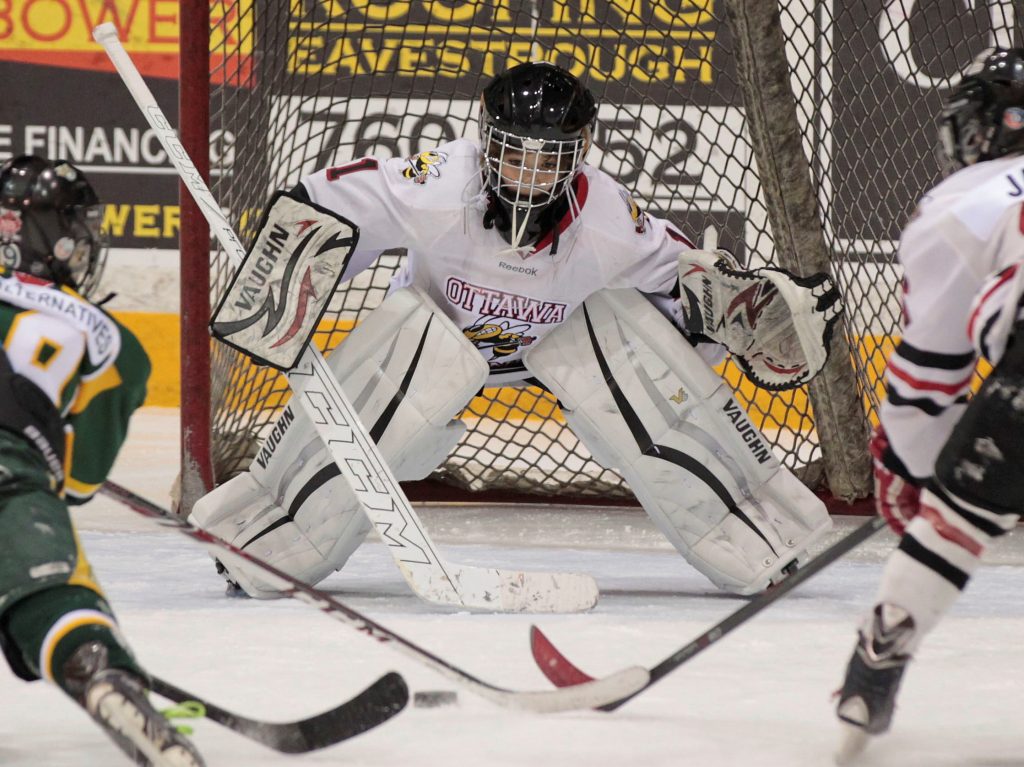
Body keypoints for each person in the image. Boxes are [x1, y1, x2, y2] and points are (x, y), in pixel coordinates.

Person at [192, 61, 841, 601]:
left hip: (556, 362)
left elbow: (683, 299)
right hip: (427, 363)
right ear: (485, 135)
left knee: (623, 343)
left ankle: (760, 528)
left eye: (548, 157)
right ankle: (264, 533)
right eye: (511, 152)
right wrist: (294, 254)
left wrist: (730, 312)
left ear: (581, 150)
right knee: (408, 353)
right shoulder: (439, 178)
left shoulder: (613, 218)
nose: (526, 174)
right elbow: (349, 197)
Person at [835, 47, 1024, 762]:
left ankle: (874, 665)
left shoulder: (961, 204)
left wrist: (920, 472)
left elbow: (928, 377)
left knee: (956, 522)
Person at [0, 156, 205, 766]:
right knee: (58, 592)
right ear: (55, 240)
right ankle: (102, 672)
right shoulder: (107, 337)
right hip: (9, 472)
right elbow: (82, 481)